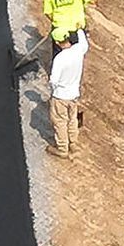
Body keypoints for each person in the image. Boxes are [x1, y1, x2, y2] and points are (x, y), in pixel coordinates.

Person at [46, 27, 88, 159]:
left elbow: (53, 80)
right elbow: (83, 40)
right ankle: (73, 144)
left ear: (57, 42)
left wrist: (52, 90)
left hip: (60, 96)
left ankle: (62, 148)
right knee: (72, 119)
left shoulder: (60, 59)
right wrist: (78, 28)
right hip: (74, 94)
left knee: (60, 121)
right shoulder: (79, 49)